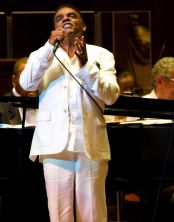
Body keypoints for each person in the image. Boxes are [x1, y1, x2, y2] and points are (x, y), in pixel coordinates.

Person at [19, 4, 120, 222]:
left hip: (90, 143)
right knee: (59, 215)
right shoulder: (42, 54)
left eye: (71, 16)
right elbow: (26, 83)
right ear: (54, 27)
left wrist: (86, 65)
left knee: (92, 214)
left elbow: (111, 95)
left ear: (83, 26)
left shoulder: (101, 54)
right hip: (54, 146)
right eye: (59, 18)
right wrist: (49, 47)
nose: (65, 19)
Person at [0, 57, 38, 125]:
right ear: (14, 80)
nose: (32, 83)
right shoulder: (1, 107)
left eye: (37, 77)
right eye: (26, 78)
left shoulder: (48, 103)